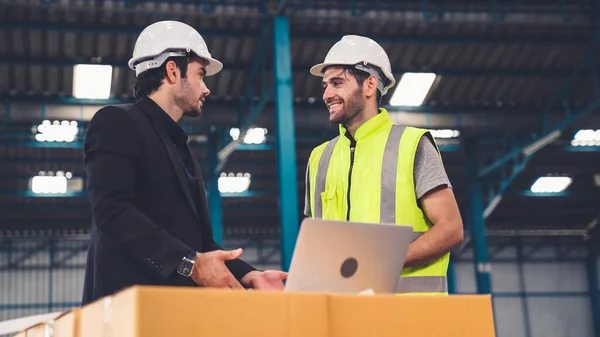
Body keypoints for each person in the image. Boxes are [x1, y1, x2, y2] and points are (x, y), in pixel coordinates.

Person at [81, 20, 286, 305]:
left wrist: (251, 276)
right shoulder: (116, 122)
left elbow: (201, 245)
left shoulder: (181, 150)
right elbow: (112, 211)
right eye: (201, 74)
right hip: (126, 312)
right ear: (172, 70)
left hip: (176, 314)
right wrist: (190, 263)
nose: (206, 89)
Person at [303, 35, 464, 296]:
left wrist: (384, 261)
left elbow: (451, 229)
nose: (327, 94)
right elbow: (316, 244)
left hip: (410, 316)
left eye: (337, 83)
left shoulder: (412, 144)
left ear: (369, 85)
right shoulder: (319, 158)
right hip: (345, 315)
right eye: (325, 85)